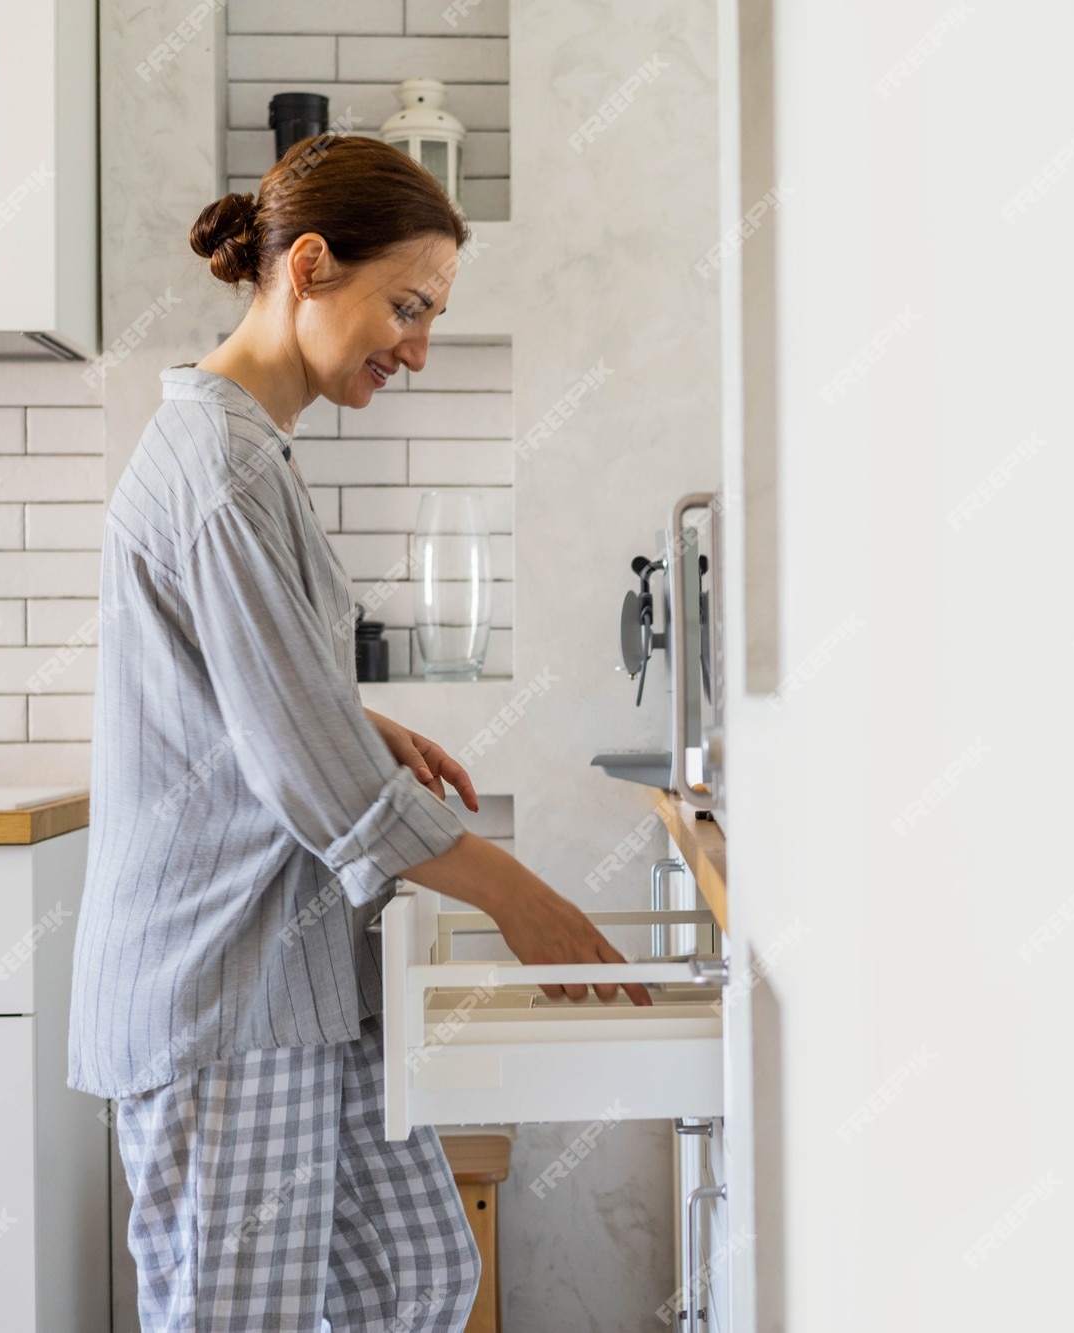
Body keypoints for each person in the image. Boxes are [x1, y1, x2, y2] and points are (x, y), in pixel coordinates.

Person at [65, 133, 648, 1331]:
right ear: (313, 266)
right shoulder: (220, 466)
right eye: (408, 306)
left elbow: (248, 685)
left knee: (415, 1276)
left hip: (284, 976)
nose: (419, 348)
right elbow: (302, 773)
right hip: (223, 985)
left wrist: (360, 720)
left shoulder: (244, 454)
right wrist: (513, 894)